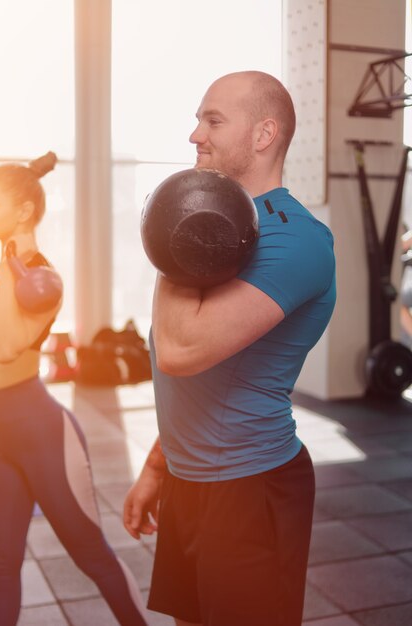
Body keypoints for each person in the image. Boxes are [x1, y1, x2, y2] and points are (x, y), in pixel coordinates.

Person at [123, 71, 337, 626]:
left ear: (265, 134)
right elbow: (200, 384)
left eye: (213, 120)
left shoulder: (295, 240)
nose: (196, 134)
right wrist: (157, 467)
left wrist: (176, 227)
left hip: (251, 489)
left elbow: (180, 349)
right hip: (192, 480)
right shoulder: (220, 226)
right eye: (198, 119)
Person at [0, 152, 148, 626]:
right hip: (1, 443)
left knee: (93, 558)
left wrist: (11, 263)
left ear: (23, 211)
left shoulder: (44, 281)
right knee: (1, 567)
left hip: (46, 439)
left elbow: (4, 349)